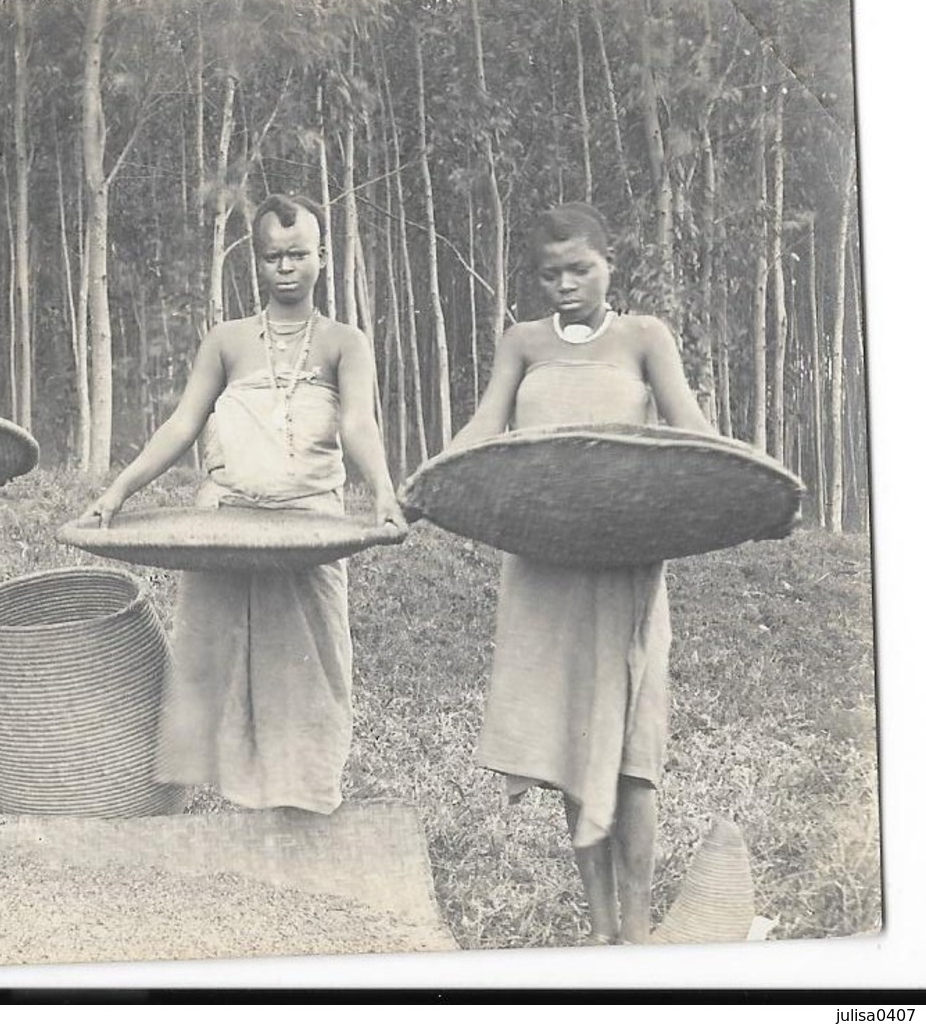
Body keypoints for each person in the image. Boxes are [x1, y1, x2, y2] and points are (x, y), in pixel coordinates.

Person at [431, 202, 718, 944]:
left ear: (608, 263)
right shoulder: (521, 343)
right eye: (549, 273)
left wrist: (751, 486)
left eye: (579, 269)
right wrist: (429, 482)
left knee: (631, 750)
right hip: (542, 566)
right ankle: (599, 931)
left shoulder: (643, 337)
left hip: (624, 565)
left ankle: (638, 925)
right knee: (567, 744)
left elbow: (692, 430)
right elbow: (483, 429)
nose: (564, 284)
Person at [84, 193, 405, 814]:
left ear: (321, 259)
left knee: (311, 671)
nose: (286, 268)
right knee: (223, 669)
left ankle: (301, 807)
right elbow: (181, 426)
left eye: (298, 255)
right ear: (256, 263)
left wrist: (385, 494)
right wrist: (119, 491)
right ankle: (239, 813)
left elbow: (360, 424)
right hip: (225, 523)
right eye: (272, 257)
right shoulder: (227, 341)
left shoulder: (345, 343)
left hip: (311, 526)